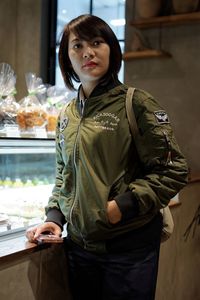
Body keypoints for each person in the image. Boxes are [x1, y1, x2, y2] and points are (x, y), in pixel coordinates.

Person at [26, 14, 188, 300]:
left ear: (111, 49)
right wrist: (55, 217)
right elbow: (65, 174)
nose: (87, 52)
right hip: (79, 250)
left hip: (128, 251)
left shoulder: (136, 102)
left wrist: (120, 207)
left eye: (96, 42)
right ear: (67, 58)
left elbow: (173, 169)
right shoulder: (66, 115)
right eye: (77, 46)